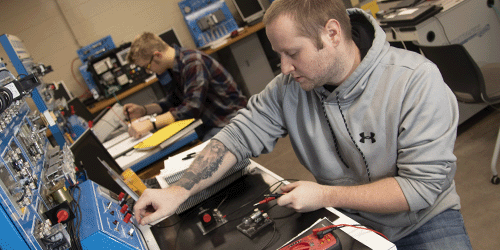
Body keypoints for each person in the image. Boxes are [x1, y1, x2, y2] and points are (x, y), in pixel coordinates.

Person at [134, 1, 472, 248]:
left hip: (424, 222)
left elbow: (419, 188)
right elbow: (238, 136)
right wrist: (178, 192)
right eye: (278, 55)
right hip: (348, 219)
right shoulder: (289, 90)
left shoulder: (415, 83)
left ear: (332, 33)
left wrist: (325, 194)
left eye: (292, 53)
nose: (284, 67)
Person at [123, 32, 247, 141]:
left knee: (205, 161)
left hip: (228, 121)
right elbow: (174, 100)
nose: (149, 71)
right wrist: (144, 110)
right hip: (208, 121)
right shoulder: (172, 67)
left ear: (157, 55)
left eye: (147, 67)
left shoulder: (193, 62)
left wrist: (151, 123)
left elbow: (191, 107)